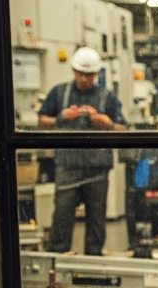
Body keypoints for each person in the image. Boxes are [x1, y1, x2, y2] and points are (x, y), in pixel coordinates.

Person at [38, 46, 128, 255]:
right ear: (73, 71)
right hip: (67, 167)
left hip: (97, 169)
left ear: (96, 74)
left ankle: (93, 263)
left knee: (97, 220)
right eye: (80, 74)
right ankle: (58, 261)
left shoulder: (108, 97)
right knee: (62, 216)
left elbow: (123, 128)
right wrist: (62, 117)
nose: (84, 79)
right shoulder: (59, 92)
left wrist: (106, 123)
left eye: (89, 75)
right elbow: (42, 122)